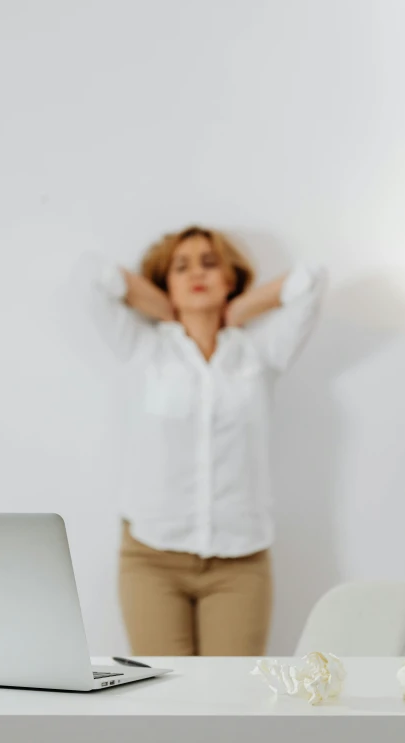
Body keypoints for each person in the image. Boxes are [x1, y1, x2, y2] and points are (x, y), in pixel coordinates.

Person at [75, 225, 326, 656]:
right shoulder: (145, 350)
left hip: (240, 561)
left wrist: (239, 310)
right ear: (164, 282)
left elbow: (312, 279)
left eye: (211, 264)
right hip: (151, 558)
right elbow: (95, 275)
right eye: (182, 266)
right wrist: (168, 311)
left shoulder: (260, 354)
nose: (198, 274)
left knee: (233, 706)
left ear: (230, 279)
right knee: (167, 704)